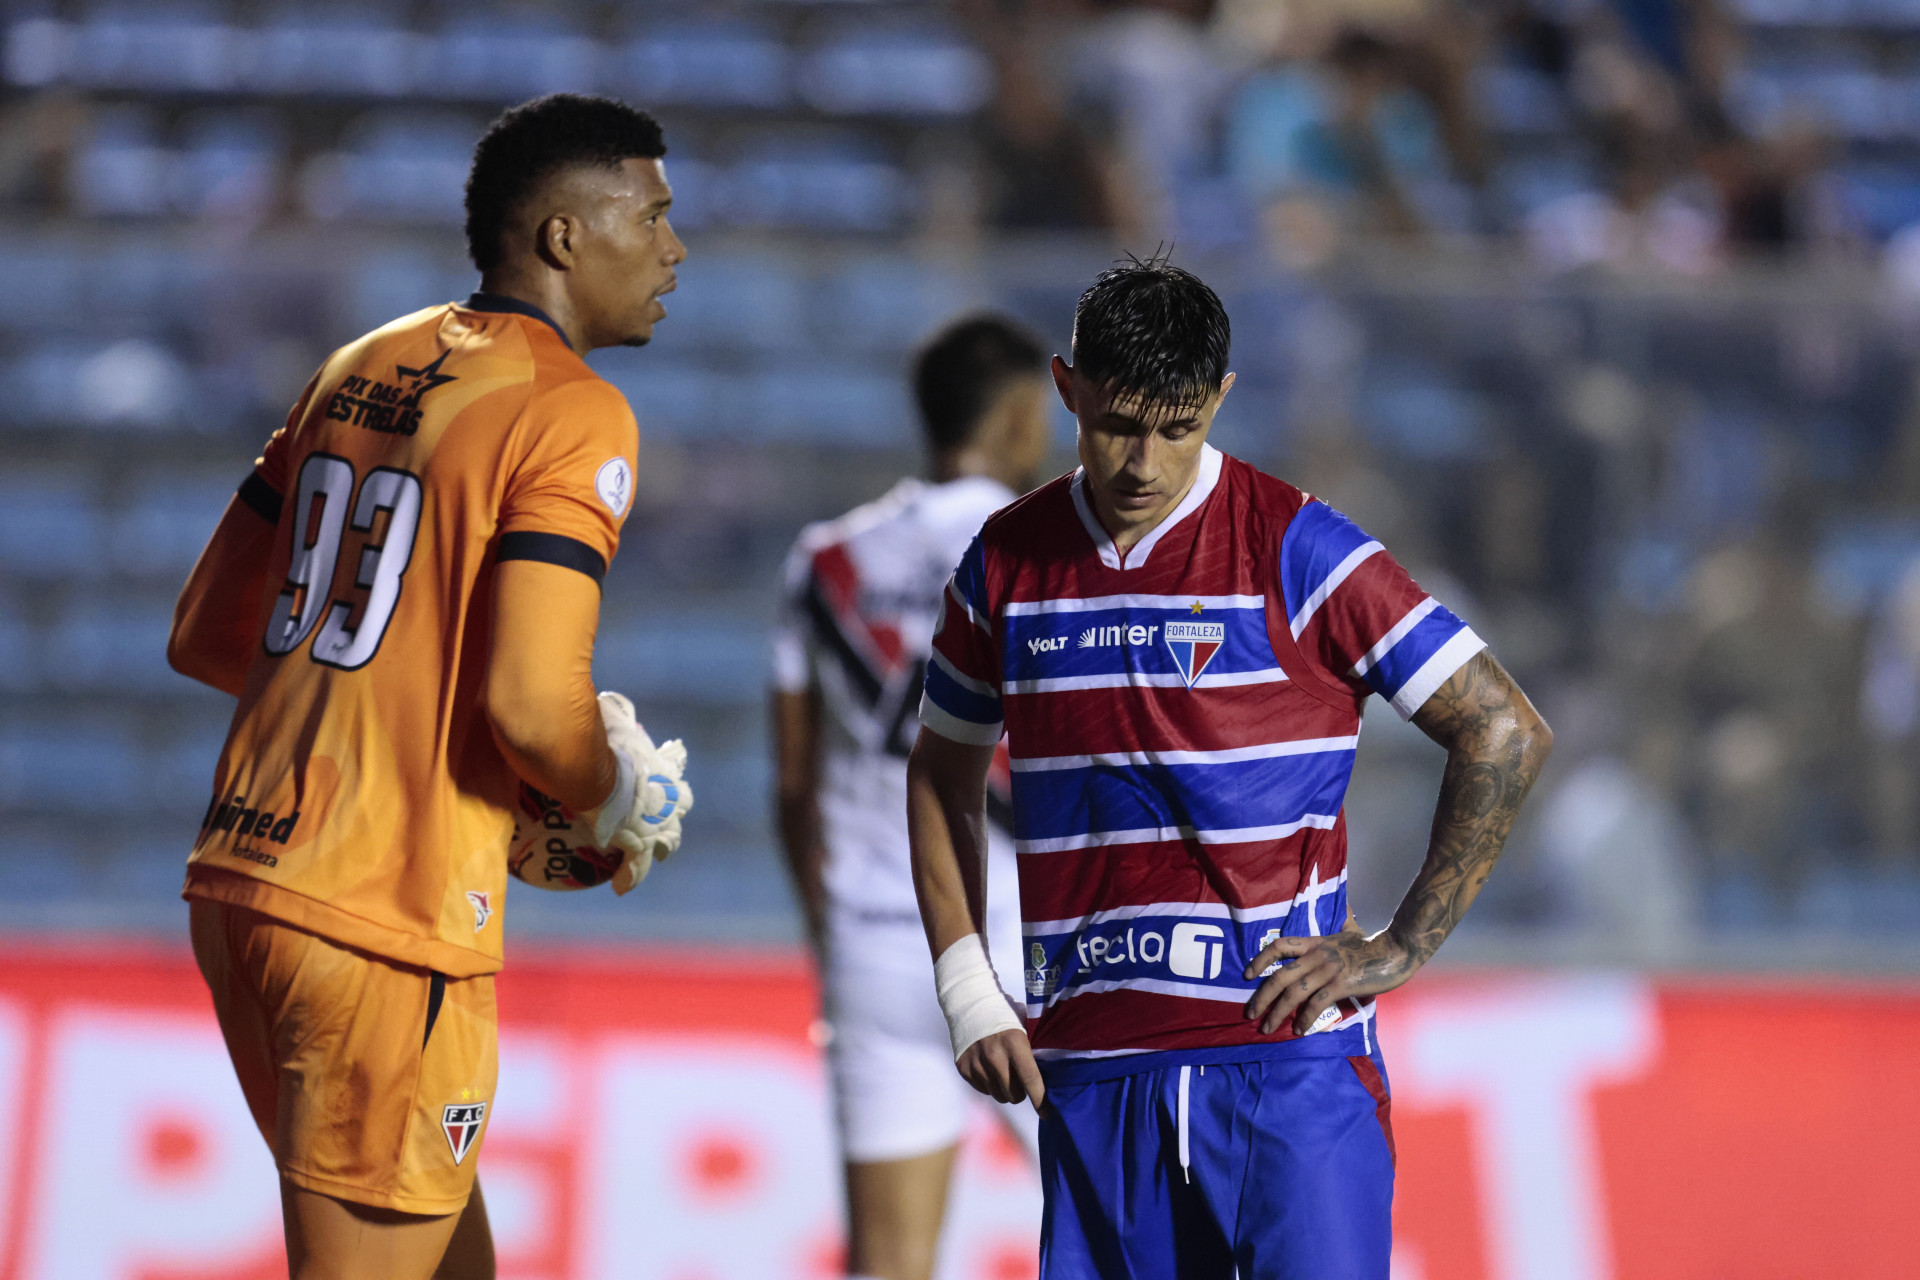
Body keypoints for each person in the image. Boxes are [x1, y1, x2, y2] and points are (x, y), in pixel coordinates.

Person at [908, 258, 1553, 1279]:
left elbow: (1504, 729)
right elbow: (941, 773)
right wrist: (968, 991)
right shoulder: (1006, 562)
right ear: (1067, 389)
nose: (1145, 461)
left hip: (1286, 1065)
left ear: (1221, 399)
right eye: (1119, 421)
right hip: (1093, 1065)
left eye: (1178, 425)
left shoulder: (1301, 547)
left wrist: (1395, 947)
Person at [165, 94, 694, 1280]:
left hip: (245, 881)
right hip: (381, 919)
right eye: (653, 216)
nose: (674, 248)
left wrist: (415, 728)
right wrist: (613, 794)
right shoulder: (572, 410)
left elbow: (208, 633)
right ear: (564, 236)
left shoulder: (360, 362)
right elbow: (529, 708)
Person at [771, 315, 1055, 1280]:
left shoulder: (824, 560)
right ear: (1020, 415)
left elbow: (794, 785)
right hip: (1026, 942)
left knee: (889, 1266)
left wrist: (831, 933)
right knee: (1124, 1238)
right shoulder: (1044, 553)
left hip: (876, 932)